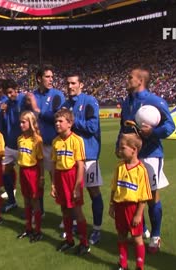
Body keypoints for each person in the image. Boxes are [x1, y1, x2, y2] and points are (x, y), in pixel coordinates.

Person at [117, 67, 175, 253]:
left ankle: (156, 236)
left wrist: (153, 133)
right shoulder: (126, 102)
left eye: (130, 77)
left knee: (151, 196)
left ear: (140, 80)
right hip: (132, 157)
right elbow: (123, 127)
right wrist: (120, 145)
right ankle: (142, 230)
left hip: (151, 155)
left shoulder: (154, 101)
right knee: (132, 194)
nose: (127, 79)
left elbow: (170, 126)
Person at [62, 74, 104, 245]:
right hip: (70, 157)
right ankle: (74, 225)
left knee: (93, 192)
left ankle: (97, 229)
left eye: (73, 83)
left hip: (88, 156)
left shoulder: (89, 101)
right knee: (71, 193)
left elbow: (92, 127)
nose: (70, 86)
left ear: (81, 84)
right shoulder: (65, 105)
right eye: (68, 83)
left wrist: (72, 121)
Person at [26, 65, 65, 215]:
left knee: (57, 181)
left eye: (52, 77)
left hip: (53, 144)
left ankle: (65, 215)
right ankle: (39, 210)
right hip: (36, 145)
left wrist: (37, 109)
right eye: (47, 77)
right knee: (37, 180)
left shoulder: (57, 95)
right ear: (39, 79)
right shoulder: (31, 95)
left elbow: (58, 118)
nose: (51, 80)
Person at [110, 133, 152, 270]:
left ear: (134, 149)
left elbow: (144, 196)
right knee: (121, 235)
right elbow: (114, 188)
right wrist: (112, 205)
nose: (119, 151)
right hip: (119, 206)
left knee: (136, 238)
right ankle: (123, 264)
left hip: (133, 208)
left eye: (123, 148)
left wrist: (139, 214)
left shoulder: (141, 170)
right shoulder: (119, 167)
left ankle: (140, 266)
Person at [51, 108, 90, 255]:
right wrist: (54, 184)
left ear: (70, 123)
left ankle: (84, 243)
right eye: (56, 121)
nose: (57, 124)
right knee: (64, 210)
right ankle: (69, 239)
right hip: (60, 177)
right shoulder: (55, 141)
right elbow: (55, 165)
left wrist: (77, 187)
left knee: (77, 210)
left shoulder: (76, 140)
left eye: (61, 121)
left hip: (72, 177)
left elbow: (81, 165)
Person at [16, 111, 44, 242]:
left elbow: (41, 160)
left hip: (33, 172)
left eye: (24, 122)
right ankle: (28, 228)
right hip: (23, 171)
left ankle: (37, 230)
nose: (21, 124)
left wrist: (42, 177)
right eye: (20, 122)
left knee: (35, 200)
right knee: (26, 200)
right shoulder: (20, 139)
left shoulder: (37, 140)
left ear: (31, 123)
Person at [0, 79, 26, 212]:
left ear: (16, 89)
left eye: (10, 92)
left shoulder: (24, 100)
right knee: (4, 172)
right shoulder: (6, 104)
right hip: (10, 145)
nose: (9, 95)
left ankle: (36, 208)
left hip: (23, 146)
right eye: (7, 93)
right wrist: (2, 112)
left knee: (27, 178)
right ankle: (11, 200)